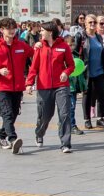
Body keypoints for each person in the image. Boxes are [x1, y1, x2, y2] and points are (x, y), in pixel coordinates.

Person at [0, 17, 34, 154]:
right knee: (7, 113)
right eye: (8, 28)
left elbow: (34, 54)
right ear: (2, 30)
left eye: (13, 28)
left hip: (17, 86)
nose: (12, 31)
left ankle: (1, 136)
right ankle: (13, 139)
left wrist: (39, 46)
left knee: (13, 114)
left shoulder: (21, 45)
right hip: (3, 87)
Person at [26, 20, 75, 153]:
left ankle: (65, 143)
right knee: (45, 115)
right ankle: (39, 133)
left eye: (42, 30)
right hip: (44, 86)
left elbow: (71, 65)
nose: (40, 32)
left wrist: (66, 72)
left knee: (64, 113)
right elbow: (34, 67)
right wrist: (29, 83)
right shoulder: (40, 47)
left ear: (50, 32)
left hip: (61, 86)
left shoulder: (64, 46)